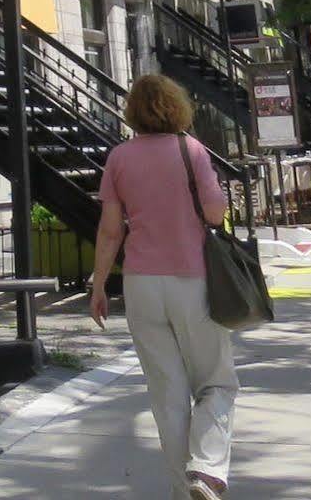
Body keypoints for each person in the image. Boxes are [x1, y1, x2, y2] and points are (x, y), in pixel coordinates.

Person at [89, 74, 238, 500]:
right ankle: (206, 470)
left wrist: (99, 286)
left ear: (133, 111)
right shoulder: (190, 150)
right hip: (193, 281)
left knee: (167, 392)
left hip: (141, 284)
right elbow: (214, 215)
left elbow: (110, 231)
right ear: (177, 107)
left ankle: (182, 489)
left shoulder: (118, 158)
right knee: (216, 382)